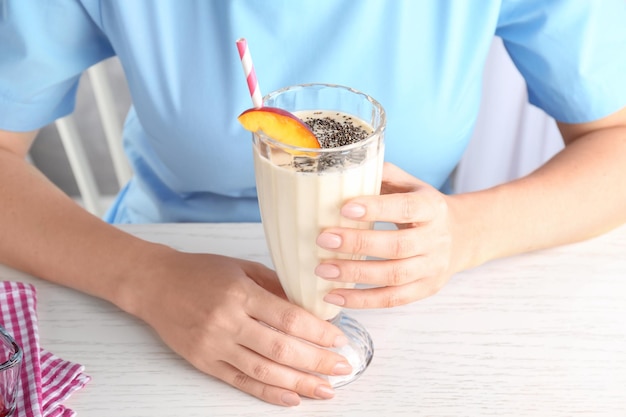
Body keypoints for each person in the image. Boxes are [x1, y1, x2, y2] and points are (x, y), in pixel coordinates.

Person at [1, 0, 626, 408]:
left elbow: (614, 140)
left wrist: (469, 232)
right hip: (152, 294)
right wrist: (144, 277)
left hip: (415, 304)